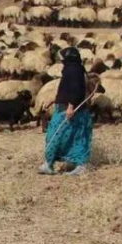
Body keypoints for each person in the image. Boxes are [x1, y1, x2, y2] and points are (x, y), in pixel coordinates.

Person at [39, 47, 94, 176]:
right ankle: (49, 163)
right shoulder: (71, 69)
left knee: (71, 136)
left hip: (72, 110)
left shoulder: (74, 70)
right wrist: (54, 99)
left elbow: (75, 90)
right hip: (64, 107)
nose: (61, 59)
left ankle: (80, 166)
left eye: (63, 57)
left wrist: (70, 107)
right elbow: (66, 88)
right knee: (57, 135)